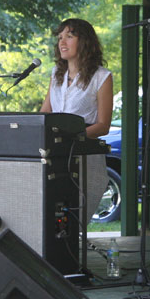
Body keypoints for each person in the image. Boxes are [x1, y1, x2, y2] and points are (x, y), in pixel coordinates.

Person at [41, 18, 113, 224]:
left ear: (85, 42)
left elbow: (103, 125)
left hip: (84, 155)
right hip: (55, 154)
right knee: (53, 214)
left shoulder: (101, 77)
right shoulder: (56, 74)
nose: (62, 42)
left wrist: (72, 137)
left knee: (76, 216)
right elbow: (45, 112)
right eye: (60, 37)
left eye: (69, 37)